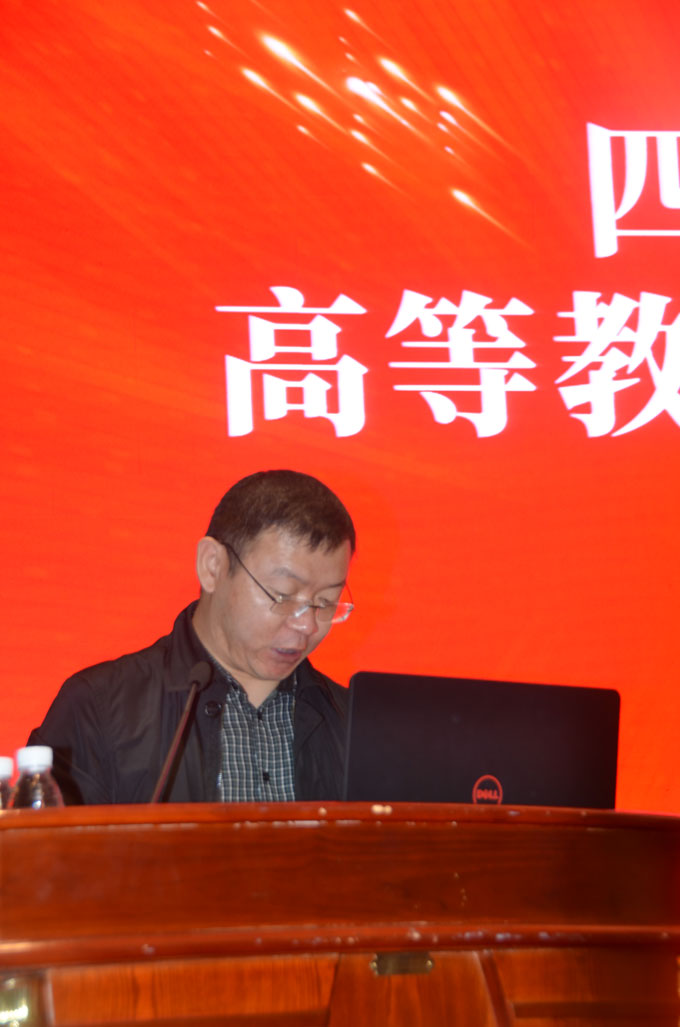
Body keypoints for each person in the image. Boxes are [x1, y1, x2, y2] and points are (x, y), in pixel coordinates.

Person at [28, 469, 356, 804]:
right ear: (212, 566)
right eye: (283, 595)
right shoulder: (98, 709)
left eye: (325, 602)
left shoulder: (355, 725)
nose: (308, 625)